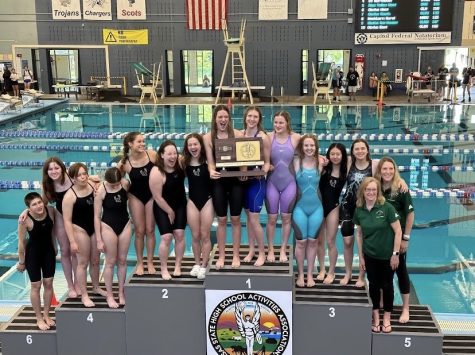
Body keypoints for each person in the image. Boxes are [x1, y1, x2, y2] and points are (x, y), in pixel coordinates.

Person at [354, 177, 402, 334]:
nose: (371, 192)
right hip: (370, 255)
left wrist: (395, 254)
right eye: (368, 190)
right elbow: (359, 234)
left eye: (374, 190)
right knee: (373, 285)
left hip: (387, 256)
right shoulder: (359, 210)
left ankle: (386, 318)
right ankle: (376, 317)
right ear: (363, 192)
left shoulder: (386, 208)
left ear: (378, 191)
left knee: (387, 286)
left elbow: (398, 231)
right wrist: (361, 256)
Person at [203, 105, 244, 269]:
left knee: (235, 219)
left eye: (225, 117)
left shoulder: (238, 134)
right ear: (215, 119)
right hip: (219, 180)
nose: (223, 120)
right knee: (221, 219)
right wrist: (211, 171)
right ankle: (221, 255)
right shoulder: (208, 138)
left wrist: (243, 172)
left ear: (229, 118)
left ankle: (235, 255)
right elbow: (210, 163)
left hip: (235, 181)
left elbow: (244, 158)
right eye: (220, 117)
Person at [375, 157, 415, 323]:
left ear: (395, 170)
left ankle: (406, 308)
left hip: (398, 239)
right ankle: (383, 303)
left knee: (401, 271)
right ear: (379, 170)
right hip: (382, 239)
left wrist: (406, 238)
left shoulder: (401, 189)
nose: (387, 172)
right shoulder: (376, 187)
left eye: (391, 169)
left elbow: (411, 214)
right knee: (384, 272)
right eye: (384, 169)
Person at [62, 163, 105, 307]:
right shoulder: (69, 196)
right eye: (79, 175)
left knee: (95, 261)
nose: (83, 177)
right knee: (82, 263)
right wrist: (72, 241)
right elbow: (67, 221)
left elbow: (102, 182)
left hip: (94, 228)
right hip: (79, 230)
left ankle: (96, 287)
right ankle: (84, 295)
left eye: (84, 173)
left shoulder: (92, 185)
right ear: (73, 178)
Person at [117, 132, 158, 275]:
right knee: (140, 231)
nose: (142, 144)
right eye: (139, 142)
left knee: (150, 230)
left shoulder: (151, 155)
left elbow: (166, 168)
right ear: (130, 144)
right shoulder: (124, 163)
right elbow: (114, 181)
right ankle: (140, 262)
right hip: (135, 197)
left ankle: (150, 262)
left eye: (143, 141)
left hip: (152, 195)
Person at [17, 192, 56, 330]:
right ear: (29, 207)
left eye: (39, 202)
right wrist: (21, 261)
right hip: (33, 254)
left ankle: (46, 314)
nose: (38, 206)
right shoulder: (25, 219)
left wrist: (55, 247)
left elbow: (53, 233)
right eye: (34, 204)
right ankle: (39, 318)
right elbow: (21, 243)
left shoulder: (50, 211)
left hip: (48, 252)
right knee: (36, 286)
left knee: (49, 283)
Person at [94, 167, 132, 308]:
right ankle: (110, 296)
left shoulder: (125, 183)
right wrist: (98, 239)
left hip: (125, 225)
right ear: (107, 181)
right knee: (110, 262)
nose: (116, 186)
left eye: (117, 184)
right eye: (113, 185)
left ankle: (121, 292)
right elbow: (96, 216)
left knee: (122, 260)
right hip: (107, 226)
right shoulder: (101, 191)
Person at [266, 111, 301, 262]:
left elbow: (309, 150)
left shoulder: (295, 138)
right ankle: (271, 249)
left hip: (289, 183)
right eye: (276, 122)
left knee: (286, 218)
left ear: (287, 123)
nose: (278, 125)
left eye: (281, 122)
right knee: (272, 218)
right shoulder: (268, 137)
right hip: (272, 183)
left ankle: (283, 249)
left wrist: (321, 158)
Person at [149, 140, 187, 280]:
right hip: (162, 206)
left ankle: (178, 265)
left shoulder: (180, 164)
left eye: (174, 153)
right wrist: (170, 211)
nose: (173, 156)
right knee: (166, 237)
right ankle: (164, 268)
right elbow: (157, 197)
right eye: (169, 154)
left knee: (179, 235)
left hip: (180, 205)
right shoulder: (157, 171)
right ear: (162, 155)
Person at [293, 134, 324, 287]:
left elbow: (345, 160)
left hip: (317, 208)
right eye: (306, 145)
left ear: (316, 147)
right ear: (302, 147)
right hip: (300, 208)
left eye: (312, 145)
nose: (309, 148)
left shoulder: (321, 162)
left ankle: (310, 275)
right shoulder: (296, 161)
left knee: (313, 242)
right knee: (300, 243)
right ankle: (300, 275)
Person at [242, 106, 270, 267]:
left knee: (254, 219)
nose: (252, 119)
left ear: (259, 119)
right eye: (250, 116)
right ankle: (251, 249)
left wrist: (263, 171)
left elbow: (267, 162)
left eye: (255, 117)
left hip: (256, 182)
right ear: (245, 117)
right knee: (248, 219)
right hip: (242, 181)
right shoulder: (240, 134)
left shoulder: (263, 137)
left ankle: (261, 253)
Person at [182, 133, 213, 279]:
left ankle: (204, 265)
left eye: (195, 144)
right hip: (192, 201)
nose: (193, 147)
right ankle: (196, 263)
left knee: (205, 235)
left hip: (207, 200)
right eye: (190, 145)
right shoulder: (184, 162)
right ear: (187, 147)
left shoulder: (208, 161)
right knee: (195, 235)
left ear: (201, 145)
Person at [317, 143, 348, 284]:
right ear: (328, 154)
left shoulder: (345, 171)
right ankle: (322, 269)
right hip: (318, 206)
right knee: (319, 241)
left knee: (330, 241)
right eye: (332, 154)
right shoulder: (323, 167)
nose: (335, 157)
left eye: (338, 154)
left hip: (333, 208)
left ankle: (331, 272)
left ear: (342, 156)